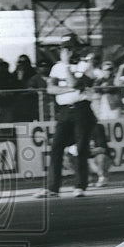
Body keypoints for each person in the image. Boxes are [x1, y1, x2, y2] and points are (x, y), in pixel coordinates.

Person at [34, 47, 96, 198]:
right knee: (56, 146)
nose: (66, 52)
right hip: (64, 111)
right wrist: (68, 89)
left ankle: (80, 185)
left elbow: (76, 84)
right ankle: (53, 187)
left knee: (81, 147)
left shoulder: (86, 66)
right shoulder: (56, 67)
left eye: (69, 49)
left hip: (82, 110)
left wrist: (67, 66)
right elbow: (50, 89)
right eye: (64, 49)